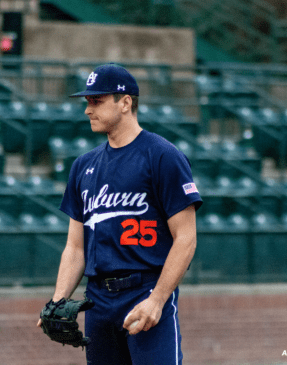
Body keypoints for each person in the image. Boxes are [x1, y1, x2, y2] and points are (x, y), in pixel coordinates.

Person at [37, 63, 203, 365]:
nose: (88, 110)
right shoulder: (82, 166)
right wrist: (58, 300)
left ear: (125, 102)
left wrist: (157, 300)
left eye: (97, 101)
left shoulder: (162, 156)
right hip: (97, 300)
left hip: (145, 291)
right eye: (88, 101)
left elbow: (186, 238)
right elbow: (75, 247)